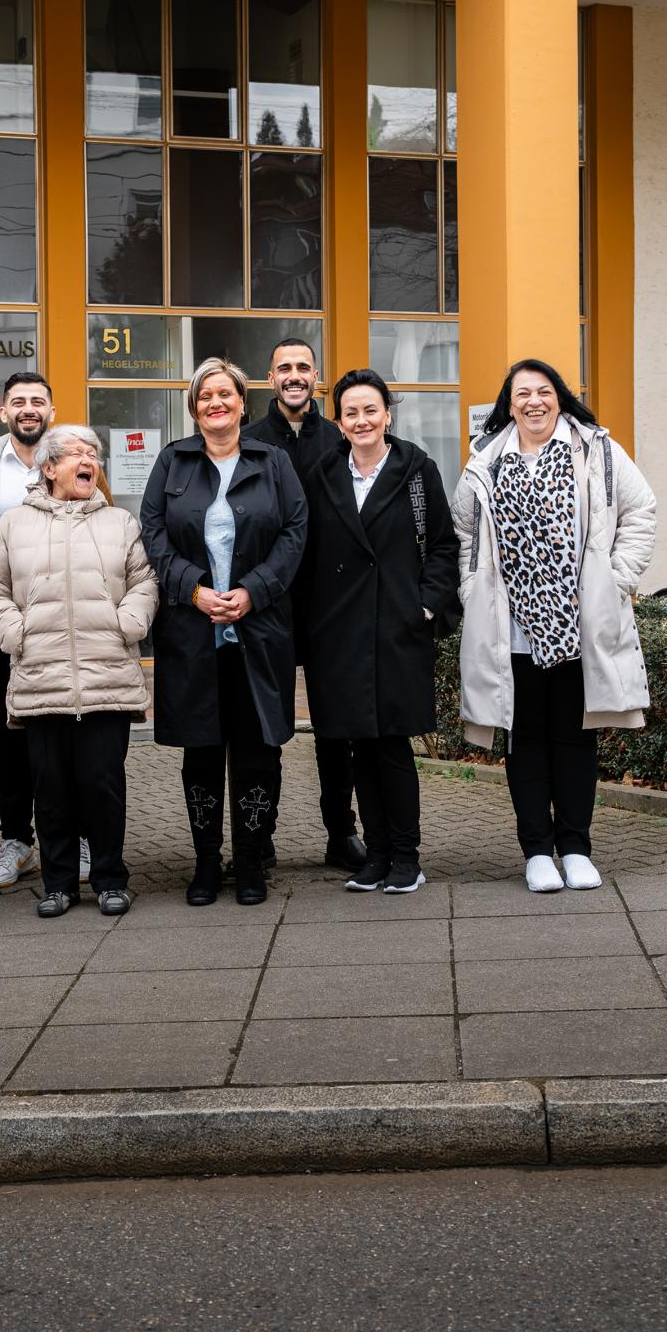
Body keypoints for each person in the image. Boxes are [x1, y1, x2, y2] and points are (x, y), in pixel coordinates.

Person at [451, 359, 657, 893]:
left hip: (579, 627)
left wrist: (615, 581)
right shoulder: (486, 460)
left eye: (543, 391)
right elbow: (463, 533)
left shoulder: (597, 451)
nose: (534, 402)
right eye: (522, 393)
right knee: (524, 742)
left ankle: (576, 848)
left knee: (574, 740)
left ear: (559, 397)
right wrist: (473, 592)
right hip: (510, 631)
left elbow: (640, 511)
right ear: (509, 403)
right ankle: (538, 852)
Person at [140, 358, 307, 907]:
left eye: (225, 394)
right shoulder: (174, 461)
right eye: (205, 396)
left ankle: (252, 860)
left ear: (241, 402)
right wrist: (193, 589)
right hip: (193, 634)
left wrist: (253, 591)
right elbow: (153, 533)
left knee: (259, 750)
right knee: (202, 753)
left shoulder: (273, 461)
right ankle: (207, 862)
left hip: (259, 632)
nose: (216, 403)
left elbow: (294, 532)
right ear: (194, 408)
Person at [0, 425, 158, 918]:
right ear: (50, 468)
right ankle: (57, 885)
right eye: (76, 453)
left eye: (93, 453)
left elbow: (144, 581)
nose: (88, 461)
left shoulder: (120, 522)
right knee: (51, 789)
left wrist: (128, 623)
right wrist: (15, 632)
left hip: (107, 676)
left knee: (103, 785)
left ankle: (111, 880)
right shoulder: (15, 524)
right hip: (42, 676)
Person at [300, 370, 460, 894]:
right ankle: (376, 855)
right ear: (339, 422)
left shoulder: (416, 471)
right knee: (358, 748)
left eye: (371, 410)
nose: (362, 420)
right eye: (351, 412)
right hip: (341, 634)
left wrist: (425, 607)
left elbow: (443, 546)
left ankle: (406, 857)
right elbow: (309, 553)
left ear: (388, 414)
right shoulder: (324, 474)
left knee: (391, 745)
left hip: (397, 629)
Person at [0, 372, 111, 892]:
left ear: (51, 410)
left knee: (72, 731)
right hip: (4, 630)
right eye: (18, 401)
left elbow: (105, 532)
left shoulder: (79, 462)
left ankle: (80, 839)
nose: (29, 408)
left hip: (70, 626)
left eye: (38, 401)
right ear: (3, 412)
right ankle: (17, 841)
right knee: (12, 733)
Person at [242, 336, 362, 871]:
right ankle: (260, 837)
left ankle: (342, 833)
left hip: (329, 607)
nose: (294, 375)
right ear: (270, 378)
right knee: (264, 727)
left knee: (336, 729)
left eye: (304, 367)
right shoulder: (248, 441)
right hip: (267, 604)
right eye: (284, 367)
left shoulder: (340, 439)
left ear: (317, 377)